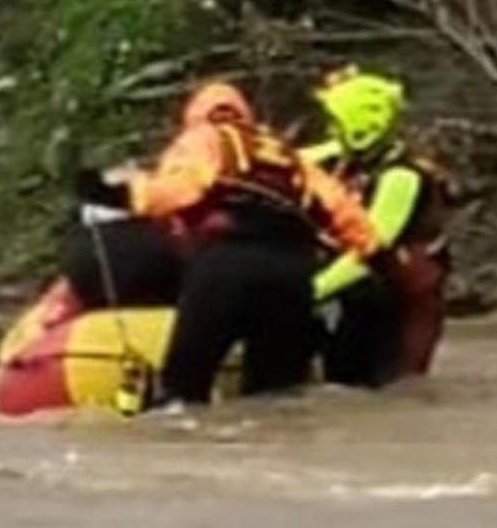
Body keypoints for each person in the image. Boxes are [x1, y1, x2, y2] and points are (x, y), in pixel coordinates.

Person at [76, 81, 381, 408]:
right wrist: (371, 254)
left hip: (227, 265)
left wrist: (111, 194)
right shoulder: (284, 153)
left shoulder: (205, 138)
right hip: (292, 276)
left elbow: (177, 190)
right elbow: (352, 220)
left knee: (184, 387)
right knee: (278, 396)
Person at [299, 68, 461, 389]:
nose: (331, 131)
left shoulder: (401, 177)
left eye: (336, 122)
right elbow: (295, 158)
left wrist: (310, 291)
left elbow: (372, 247)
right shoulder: (352, 159)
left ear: (360, 128)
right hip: (363, 299)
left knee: (398, 386)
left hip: (403, 302)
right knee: (342, 380)